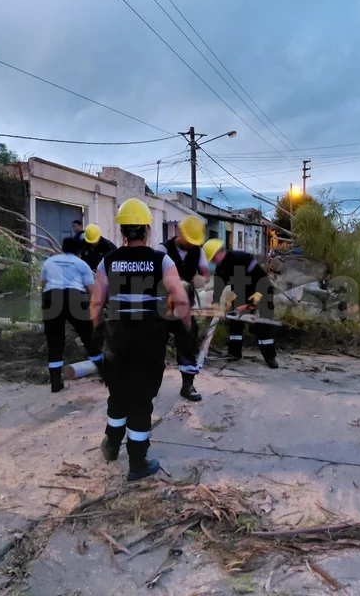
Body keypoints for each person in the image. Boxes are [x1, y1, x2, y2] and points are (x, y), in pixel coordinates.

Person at [89, 198, 192, 481]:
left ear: (122, 230)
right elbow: (180, 298)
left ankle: (111, 444)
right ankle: (137, 462)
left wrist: (98, 334)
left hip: (118, 336)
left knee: (119, 392)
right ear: (147, 229)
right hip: (149, 337)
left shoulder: (107, 260)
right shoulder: (161, 259)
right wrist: (186, 326)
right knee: (141, 398)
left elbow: (96, 305)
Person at [154, 215, 210, 402]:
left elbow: (205, 274)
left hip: (185, 308)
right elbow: (153, 278)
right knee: (156, 345)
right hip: (163, 307)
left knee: (188, 344)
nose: (191, 244)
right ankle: (151, 385)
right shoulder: (163, 250)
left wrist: (202, 280)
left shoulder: (198, 251)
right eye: (189, 240)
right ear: (180, 232)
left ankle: (188, 385)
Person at [39, 237, 104, 393]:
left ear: (62, 247)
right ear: (79, 250)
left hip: (51, 297)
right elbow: (91, 289)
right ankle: (105, 374)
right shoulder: (82, 264)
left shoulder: (49, 262)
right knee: (89, 338)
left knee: (54, 341)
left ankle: (55, 383)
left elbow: (43, 285)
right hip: (75, 297)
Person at [203, 239, 279, 369]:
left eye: (213, 258)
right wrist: (215, 302)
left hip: (262, 291)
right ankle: (234, 353)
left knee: (263, 324)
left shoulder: (242, 259)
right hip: (244, 294)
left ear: (219, 253)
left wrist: (250, 303)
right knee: (235, 319)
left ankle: (270, 357)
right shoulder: (221, 267)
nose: (213, 261)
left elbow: (262, 281)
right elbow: (219, 284)